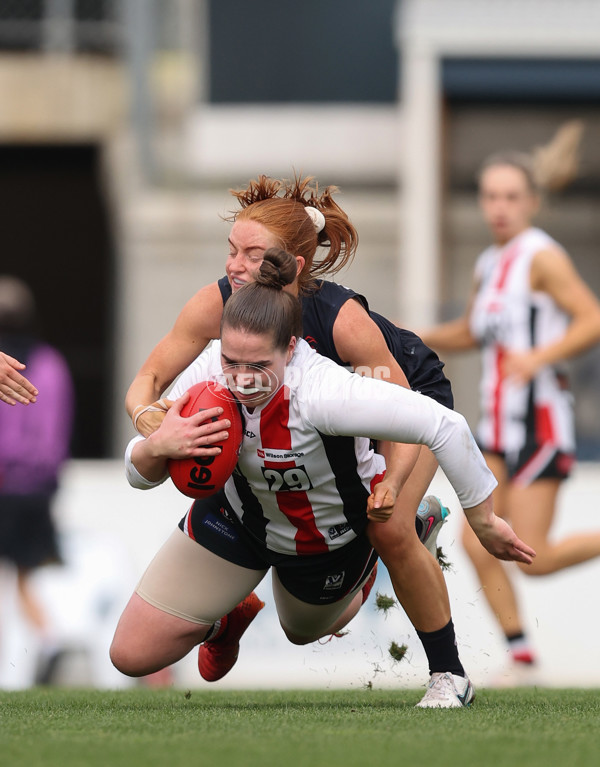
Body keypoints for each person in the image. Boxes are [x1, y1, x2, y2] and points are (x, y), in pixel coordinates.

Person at [113, 249, 535, 707]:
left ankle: (405, 545)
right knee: (130, 655)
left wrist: (484, 521)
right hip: (237, 519)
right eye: (233, 362)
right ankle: (225, 618)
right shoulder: (210, 372)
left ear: (291, 349)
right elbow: (139, 475)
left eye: (258, 366)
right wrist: (157, 445)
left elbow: (445, 426)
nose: (242, 380)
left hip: (320, 539)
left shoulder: (324, 391)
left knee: (302, 630)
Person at [419, 122, 600, 679]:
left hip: (540, 419)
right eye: (491, 196)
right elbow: (474, 332)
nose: (499, 207)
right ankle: (521, 656)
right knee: (479, 538)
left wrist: (539, 358)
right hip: (498, 420)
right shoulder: (489, 263)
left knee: (535, 556)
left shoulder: (540, 256)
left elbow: (592, 318)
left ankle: (521, 656)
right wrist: (406, 333)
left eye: (511, 197)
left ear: (532, 201)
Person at [0, 276, 74, 678]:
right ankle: (50, 640)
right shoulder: (50, 363)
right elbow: (56, 433)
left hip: (5, 484)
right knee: (26, 574)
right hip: (37, 489)